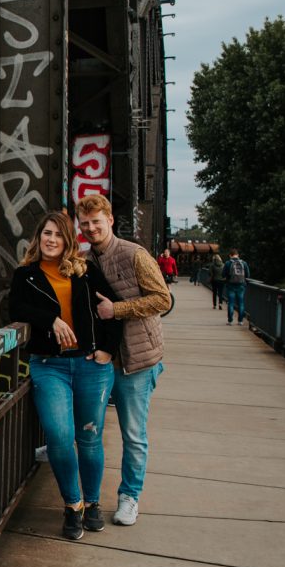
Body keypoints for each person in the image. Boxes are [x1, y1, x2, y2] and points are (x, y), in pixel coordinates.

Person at [9, 211, 122, 540]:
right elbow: (15, 309)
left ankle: (93, 503)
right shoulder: (26, 275)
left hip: (91, 366)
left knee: (88, 439)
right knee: (59, 437)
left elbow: (113, 308)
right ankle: (73, 506)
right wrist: (51, 320)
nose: (51, 240)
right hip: (50, 366)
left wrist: (107, 350)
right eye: (46, 233)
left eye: (58, 235)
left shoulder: (85, 272)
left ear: (68, 241)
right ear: (38, 237)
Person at [75, 194, 172, 526]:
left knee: (133, 433)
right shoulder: (86, 260)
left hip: (137, 360)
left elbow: (163, 299)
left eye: (96, 222)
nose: (91, 229)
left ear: (110, 220)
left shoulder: (135, 255)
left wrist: (116, 309)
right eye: (85, 224)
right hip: (104, 357)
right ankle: (63, 443)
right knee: (89, 426)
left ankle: (129, 497)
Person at [222, 248, 251, 326]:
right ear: (238, 255)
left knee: (231, 303)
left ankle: (230, 320)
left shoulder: (228, 263)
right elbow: (248, 275)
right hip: (241, 285)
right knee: (241, 303)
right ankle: (240, 321)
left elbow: (223, 274)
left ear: (230, 255)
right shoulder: (244, 263)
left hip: (230, 285)